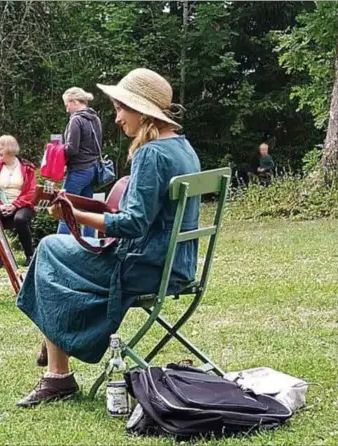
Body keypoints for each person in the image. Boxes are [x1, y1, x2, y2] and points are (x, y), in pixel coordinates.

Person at [16, 68, 201, 408]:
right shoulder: (183, 148)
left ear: (143, 112)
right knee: (54, 260)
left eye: (121, 109)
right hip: (179, 265)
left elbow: (132, 224)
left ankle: (58, 373)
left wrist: (74, 215)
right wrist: (87, 208)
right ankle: (56, 339)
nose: (116, 118)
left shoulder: (151, 153)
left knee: (48, 250)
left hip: (144, 267)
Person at [57, 87, 103, 238]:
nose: (66, 109)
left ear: (73, 101)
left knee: (65, 209)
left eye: (66, 105)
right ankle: (89, 243)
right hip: (92, 169)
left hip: (78, 170)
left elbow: (72, 149)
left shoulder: (76, 119)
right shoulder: (95, 118)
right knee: (87, 210)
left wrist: (55, 151)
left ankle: (60, 246)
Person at [0, 135, 37, 266]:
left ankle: (30, 255)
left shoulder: (27, 167)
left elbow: (31, 191)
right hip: (2, 205)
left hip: (23, 205)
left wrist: (15, 205)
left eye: (1, 152)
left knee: (20, 219)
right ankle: (0, 258)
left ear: (10, 151)